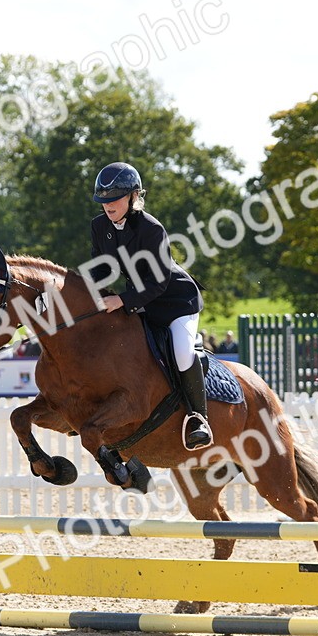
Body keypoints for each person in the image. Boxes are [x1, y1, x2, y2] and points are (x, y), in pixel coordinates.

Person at [88, 161, 211, 450]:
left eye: (115, 198)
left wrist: (121, 300)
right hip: (140, 302)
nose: (108, 205)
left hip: (175, 302)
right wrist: (83, 292)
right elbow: (101, 268)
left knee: (182, 353)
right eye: (103, 200)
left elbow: (159, 282)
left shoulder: (151, 228)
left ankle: (198, 418)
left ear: (133, 197)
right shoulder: (99, 226)